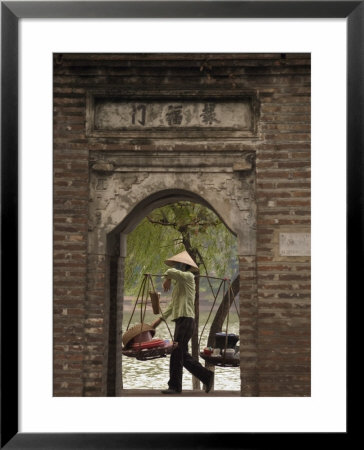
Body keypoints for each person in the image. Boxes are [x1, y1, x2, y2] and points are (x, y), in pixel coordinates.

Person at [151, 250, 214, 394]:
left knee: (176, 352)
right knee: (180, 354)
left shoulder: (189, 277)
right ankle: (205, 376)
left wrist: (167, 277)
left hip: (186, 320)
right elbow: (172, 306)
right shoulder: (179, 286)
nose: (177, 266)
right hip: (181, 320)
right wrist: (159, 320)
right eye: (176, 264)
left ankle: (175, 386)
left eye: (179, 264)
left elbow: (172, 272)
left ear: (184, 266)